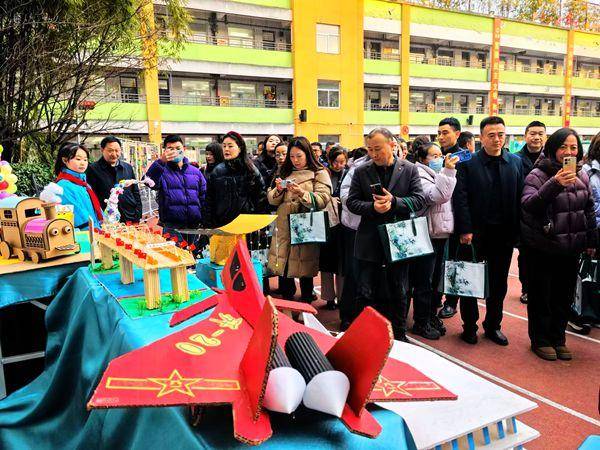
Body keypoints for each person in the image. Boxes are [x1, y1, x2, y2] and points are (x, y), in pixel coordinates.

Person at [521, 128, 596, 361]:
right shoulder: (538, 175)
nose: (569, 152)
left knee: (564, 297)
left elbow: (589, 209)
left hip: (571, 248)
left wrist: (591, 240)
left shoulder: (582, 175)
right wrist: (554, 183)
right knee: (542, 295)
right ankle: (540, 340)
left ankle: (558, 338)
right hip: (543, 246)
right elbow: (529, 205)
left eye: (573, 148)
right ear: (553, 149)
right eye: (563, 147)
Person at [347, 127, 425, 341]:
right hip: (369, 239)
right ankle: (365, 335)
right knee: (365, 290)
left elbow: (419, 200)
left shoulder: (409, 169)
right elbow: (352, 202)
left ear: (392, 145)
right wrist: (372, 208)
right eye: (370, 149)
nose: (373, 154)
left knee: (399, 289)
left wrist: (395, 202)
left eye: (378, 149)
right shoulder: (361, 171)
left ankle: (399, 334)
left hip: (399, 239)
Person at [452, 116, 524, 346]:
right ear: (481, 138)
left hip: (504, 235)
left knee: (499, 284)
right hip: (475, 235)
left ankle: (493, 326)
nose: (496, 139)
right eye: (491, 135)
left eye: (500, 134)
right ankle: (469, 327)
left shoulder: (515, 162)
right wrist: (465, 229)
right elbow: (460, 198)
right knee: (470, 281)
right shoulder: (468, 164)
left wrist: (518, 232)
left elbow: (520, 197)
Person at [267, 136, 332, 303]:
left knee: (305, 266)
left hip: (306, 226)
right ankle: (287, 301)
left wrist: (301, 193)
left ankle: (306, 301)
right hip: (283, 225)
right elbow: (272, 199)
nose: (295, 160)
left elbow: (323, 199)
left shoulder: (319, 172)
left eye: (299, 156)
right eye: (292, 156)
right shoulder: (284, 171)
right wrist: (279, 190)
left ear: (307, 154)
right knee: (284, 264)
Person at [410, 143, 458, 339]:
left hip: (440, 233)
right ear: (423, 159)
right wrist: (448, 171)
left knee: (436, 279)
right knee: (424, 281)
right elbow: (438, 196)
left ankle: (430, 316)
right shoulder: (420, 175)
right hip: (427, 234)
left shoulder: (438, 174)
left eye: (440, 155)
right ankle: (420, 322)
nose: (439, 159)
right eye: (434, 156)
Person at [145, 135, 207, 244]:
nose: (175, 152)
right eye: (170, 149)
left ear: (184, 149)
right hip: (172, 227)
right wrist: (161, 162)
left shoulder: (195, 172)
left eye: (178, 148)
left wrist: (204, 220)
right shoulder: (162, 171)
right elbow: (148, 182)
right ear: (165, 151)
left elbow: (204, 196)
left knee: (193, 252)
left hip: (193, 226)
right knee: (174, 253)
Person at [204, 131, 266, 228]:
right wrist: (209, 225)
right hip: (222, 225)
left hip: (246, 225)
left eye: (230, 146)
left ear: (240, 148)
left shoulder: (251, 170)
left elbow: (260, 198)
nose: (226, 149)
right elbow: (209, 201)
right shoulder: (217, 171)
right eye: (224, 146)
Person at [516, 121, 547, 304]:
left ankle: (541, 287)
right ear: (525, 136)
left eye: (540, 134)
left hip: (544, 214)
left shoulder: (550, 158)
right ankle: (526, 287)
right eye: (533, 133)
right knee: (525, 255)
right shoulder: (515, 159)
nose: (536, 137)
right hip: (523, 215)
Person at [339, 150, 370, 330]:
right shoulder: (357, 168)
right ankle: (348, 315)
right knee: (354, 272)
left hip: (383, 228)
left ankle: (372, 317)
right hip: (355, 227)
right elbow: (345, 195)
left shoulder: (402, 168)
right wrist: (365, 204)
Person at [87, 136, 142, 224]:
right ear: (102, 150)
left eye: (117, 150)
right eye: (110, 150)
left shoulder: (127, 167)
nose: (114, 154)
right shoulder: (93, 169)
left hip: (130, 215)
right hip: (108, 219)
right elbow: (91, 196)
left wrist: (138, 213)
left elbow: (135, 192)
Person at [320, 146, 349, 310]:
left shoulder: (349, 174)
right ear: (329, 161)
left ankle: (342, 297)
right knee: (327, 262)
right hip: (327, 222)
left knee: (341, 263)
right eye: (335, 162)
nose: (339, 165)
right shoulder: (323, 174)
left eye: (342, 162)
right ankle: (328, 298)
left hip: (343, 223)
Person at [54, 142, 103, 229]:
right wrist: (96, 231)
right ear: (65, 160)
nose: (83, 163)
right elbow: (78, 218)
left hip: (95, 230)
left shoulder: (84, 184)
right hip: (83, 234)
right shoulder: (62, 186)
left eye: (85, 160)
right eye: (78, 159)